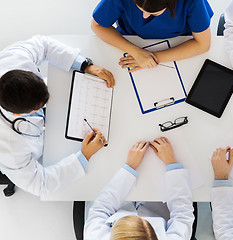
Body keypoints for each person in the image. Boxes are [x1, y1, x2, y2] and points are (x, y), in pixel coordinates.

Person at [0, 35, 115, 196]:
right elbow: (40, 184)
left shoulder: (14, 59)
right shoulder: (9, 147)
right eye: (37, 108)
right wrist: (84, 156)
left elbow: (44, 45)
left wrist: (84, 65)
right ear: (17, 113)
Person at [84, 137, 195, 240]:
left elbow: (101, 207)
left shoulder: (94, 236)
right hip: (158, 202)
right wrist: (171, 164)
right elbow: (182, 214)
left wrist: (129, 167)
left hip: (119, 204)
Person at [91, 0, 213, 72]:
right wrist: (136, 52)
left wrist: (153, 58)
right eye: (139, 9)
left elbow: (202, 44)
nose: (143, 16)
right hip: (130, 40)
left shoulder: (193, 2)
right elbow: (97, 26)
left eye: (153, 13)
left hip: (179, 45)